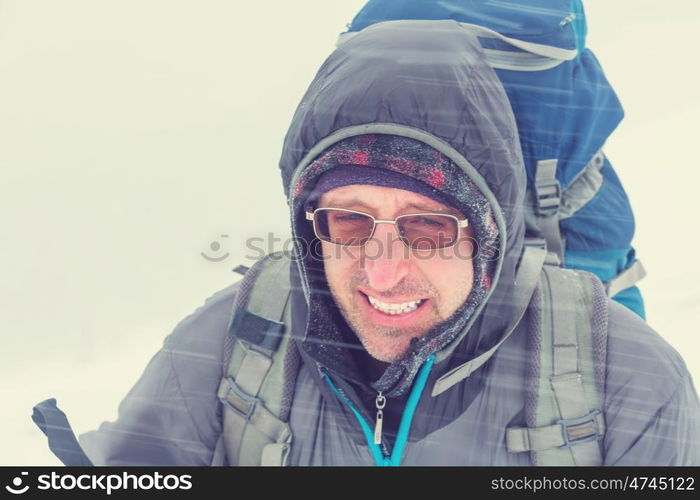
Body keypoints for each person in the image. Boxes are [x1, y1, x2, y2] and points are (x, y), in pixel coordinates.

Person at [57, 20, 699, 466]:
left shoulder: (629, 381)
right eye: (350, 222)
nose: (383, 274)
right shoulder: (235, 342)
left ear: (489, 232)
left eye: (428, 228)